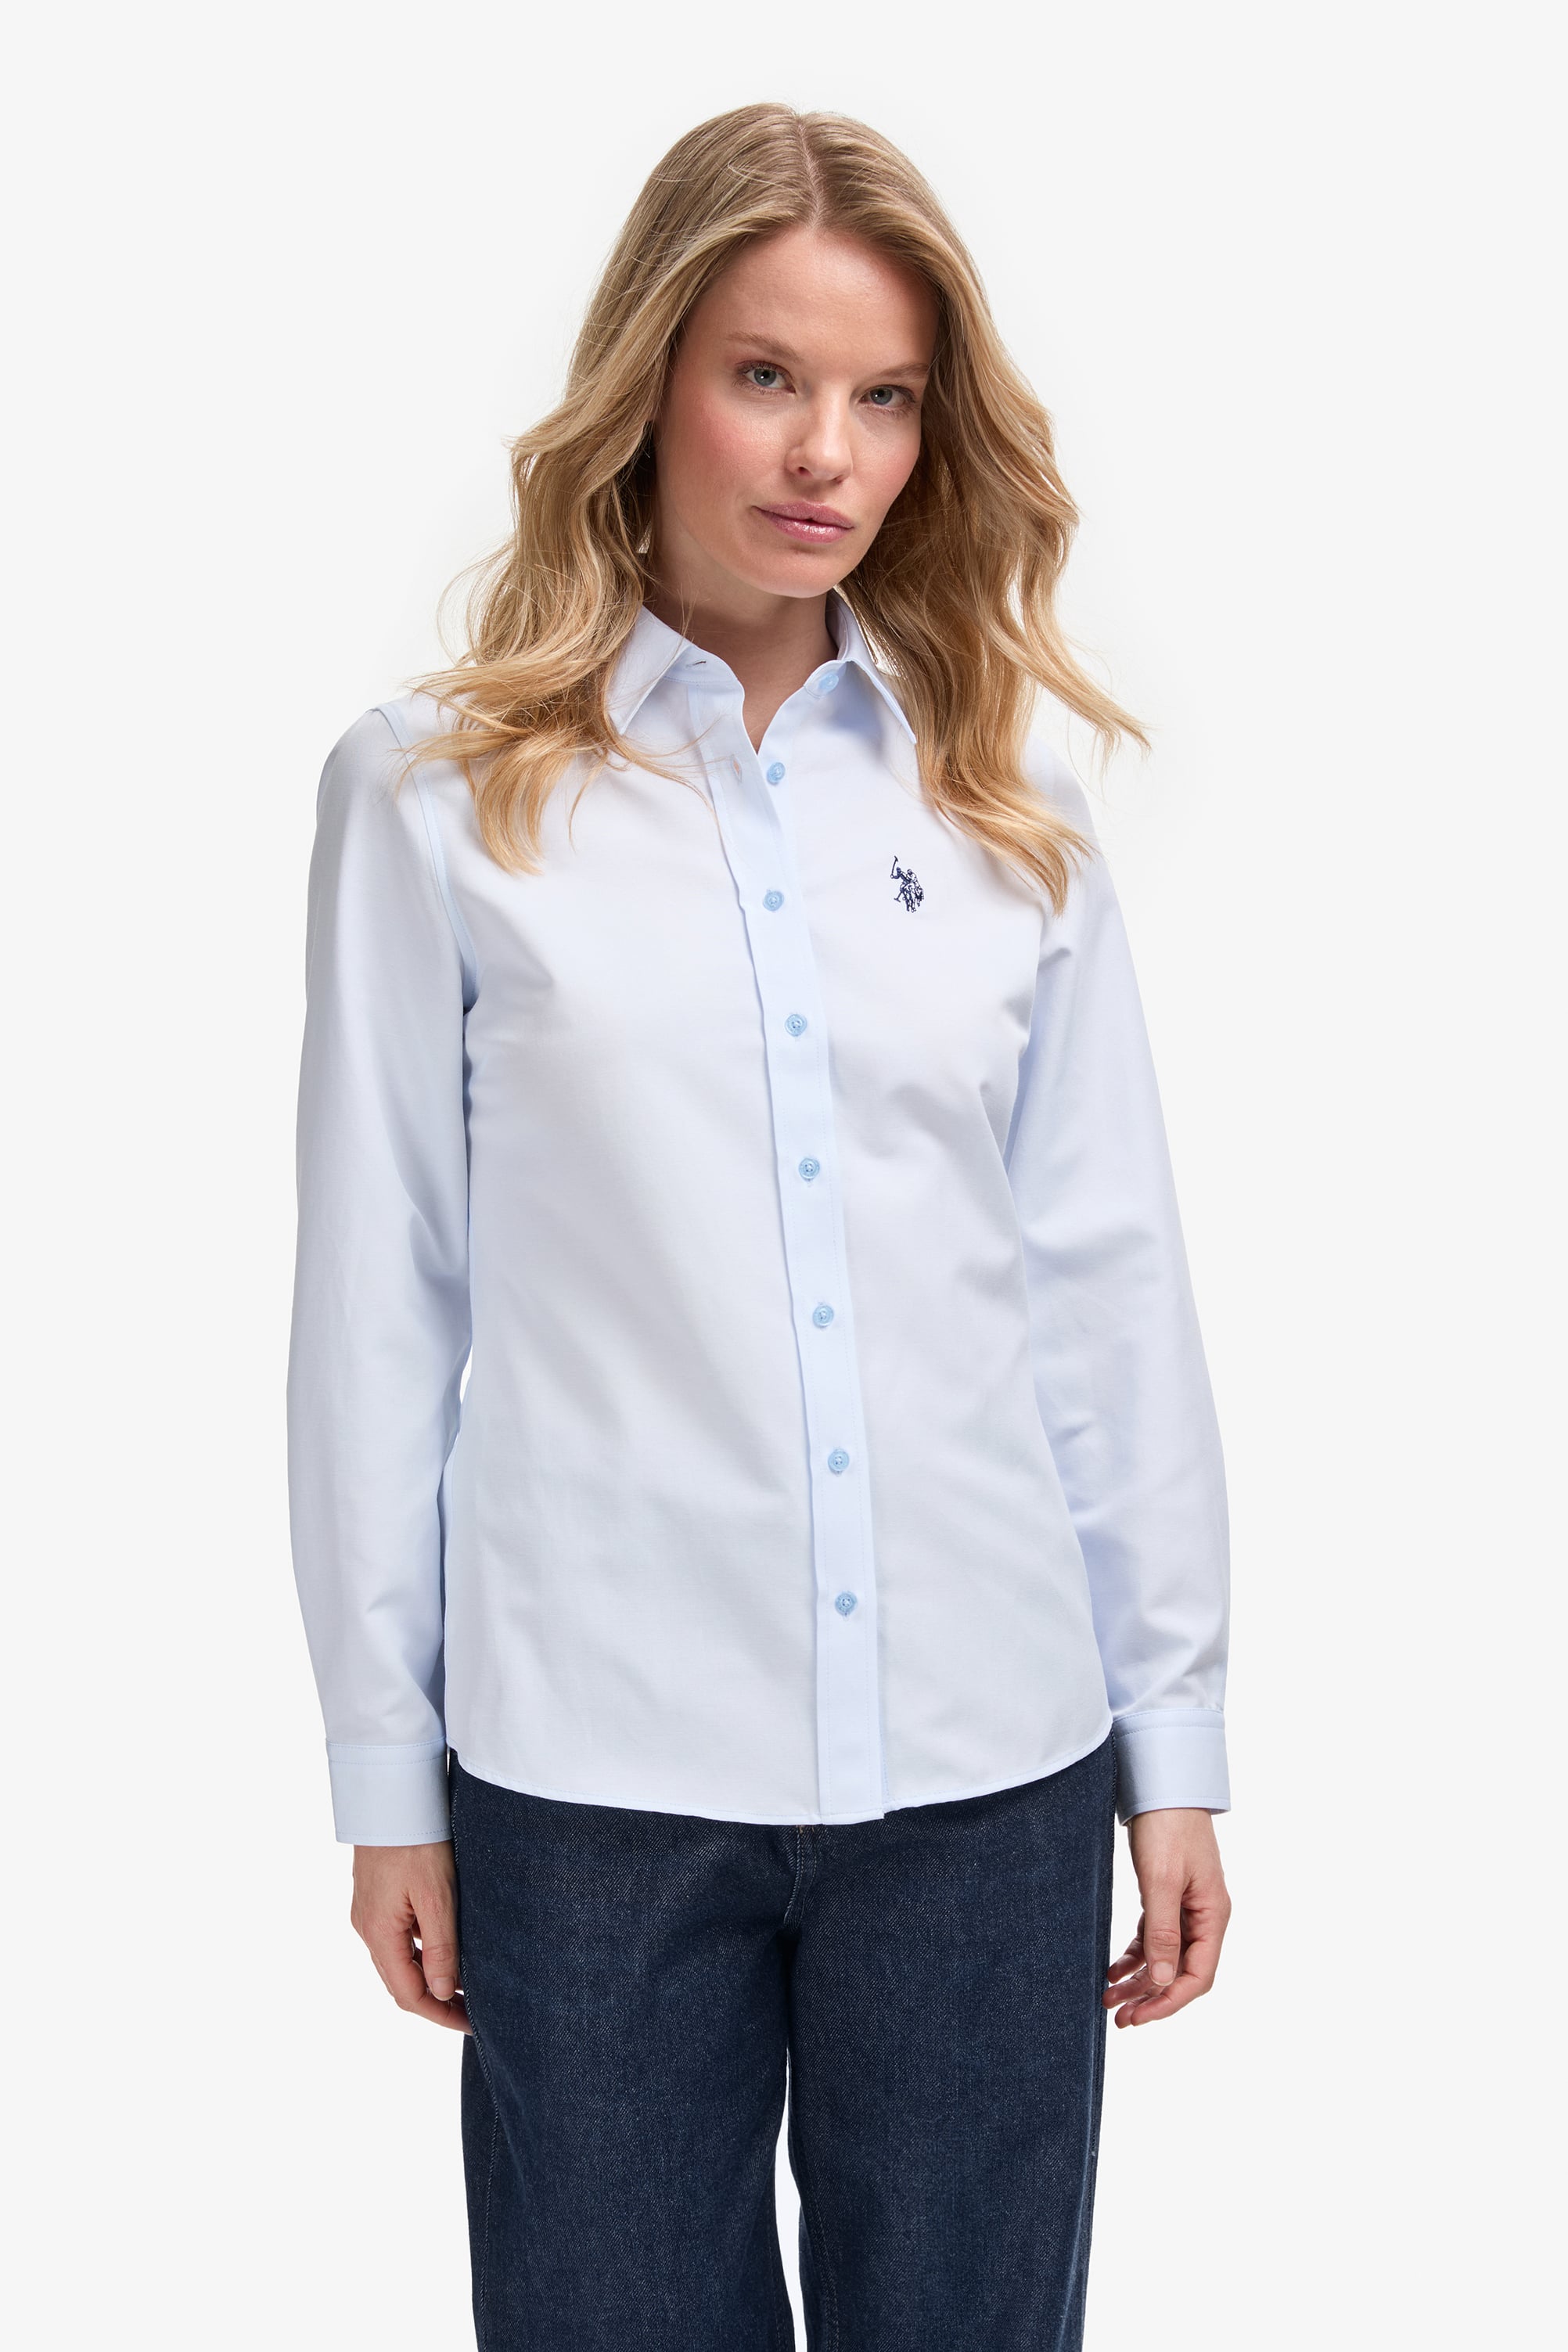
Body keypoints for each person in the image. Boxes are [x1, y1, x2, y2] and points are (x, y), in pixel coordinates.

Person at [286, 100, 1233, 2352]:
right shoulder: (436, 796)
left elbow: (1104, 1283)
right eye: (767, 376)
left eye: (884, 396)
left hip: (987, 1768)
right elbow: (378, 1304)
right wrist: (383, 1772)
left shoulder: (1008, 796)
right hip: (593, 1781)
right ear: (649, 383)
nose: (827, 452)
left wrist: (1174, 1741)